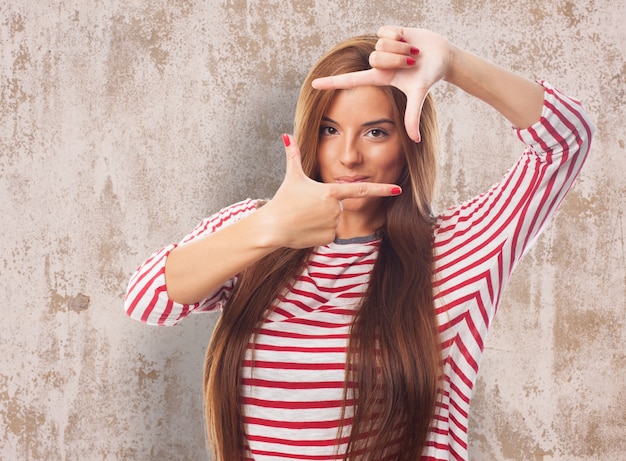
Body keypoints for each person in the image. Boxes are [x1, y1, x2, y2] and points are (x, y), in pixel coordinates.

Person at [125, 26, 594, 461]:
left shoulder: (455, 251)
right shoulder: (255, 229)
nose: (348, 155)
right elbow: (148, 300)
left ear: (409, 141)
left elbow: (566, 142)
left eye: (375, 132)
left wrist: (451, 63)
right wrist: (270, 228)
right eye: (330, 130)